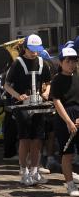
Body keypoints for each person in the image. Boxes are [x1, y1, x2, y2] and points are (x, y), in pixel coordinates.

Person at [4, 34, 51, 185]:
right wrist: (18, 96)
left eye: (37, 49)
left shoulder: (43, 62)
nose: (34, 52)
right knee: (25, 139)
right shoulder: (17, 63)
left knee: (37, 140)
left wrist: (46, 93)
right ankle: (24, 171)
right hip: (22, 106)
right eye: (32, 49)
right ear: (25, 48)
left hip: (38, 104)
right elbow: (6, 85)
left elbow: (48, 83)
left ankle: (35, 171)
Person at [50, 47, 79, 196]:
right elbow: (57, 101)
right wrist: (69, 121)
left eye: (74, 61)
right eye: (68, 61)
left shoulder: (77, 77)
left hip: (78, 114)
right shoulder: (57, 80)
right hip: (64, 117)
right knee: (67, 153)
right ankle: (69, 185)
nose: (72, 64)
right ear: (61, 62)